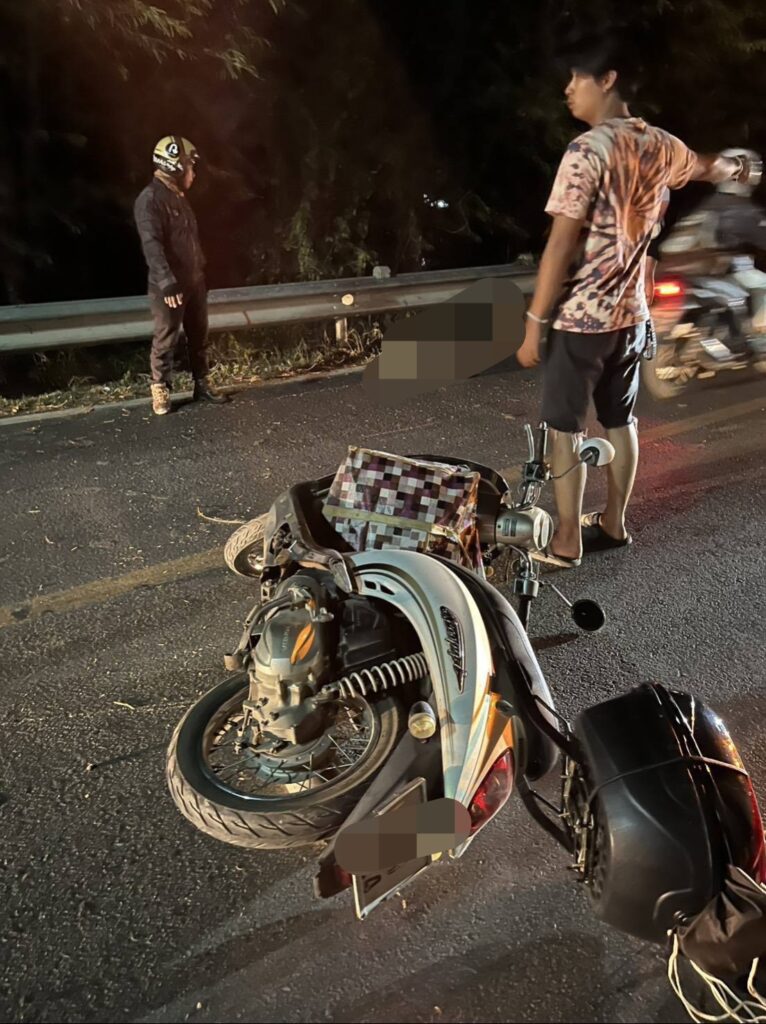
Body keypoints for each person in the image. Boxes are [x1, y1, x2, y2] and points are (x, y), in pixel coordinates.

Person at [515, 33, 757, 567]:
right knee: (620, 421)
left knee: (564, 429)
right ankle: (614, 523)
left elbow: (560, 245)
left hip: (584, 320)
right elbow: (709, 167)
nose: (568, 89)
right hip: (632, 318)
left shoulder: (587, 151)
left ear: (608, 80)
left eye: (577, 78)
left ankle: (567, 541)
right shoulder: (663, 145)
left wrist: (534, 322)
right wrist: (741, 169)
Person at [134, 135, 227, 415]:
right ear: (174, 166)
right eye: (189, 166)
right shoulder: (149, 200)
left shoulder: (178, 196)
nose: (193, 172)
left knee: (199, 336)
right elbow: (152, 246)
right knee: (166, 338)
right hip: (169, 285)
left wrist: (201, 270)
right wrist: (167, 282)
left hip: (194, 280)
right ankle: (160, 388)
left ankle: (202, 383)